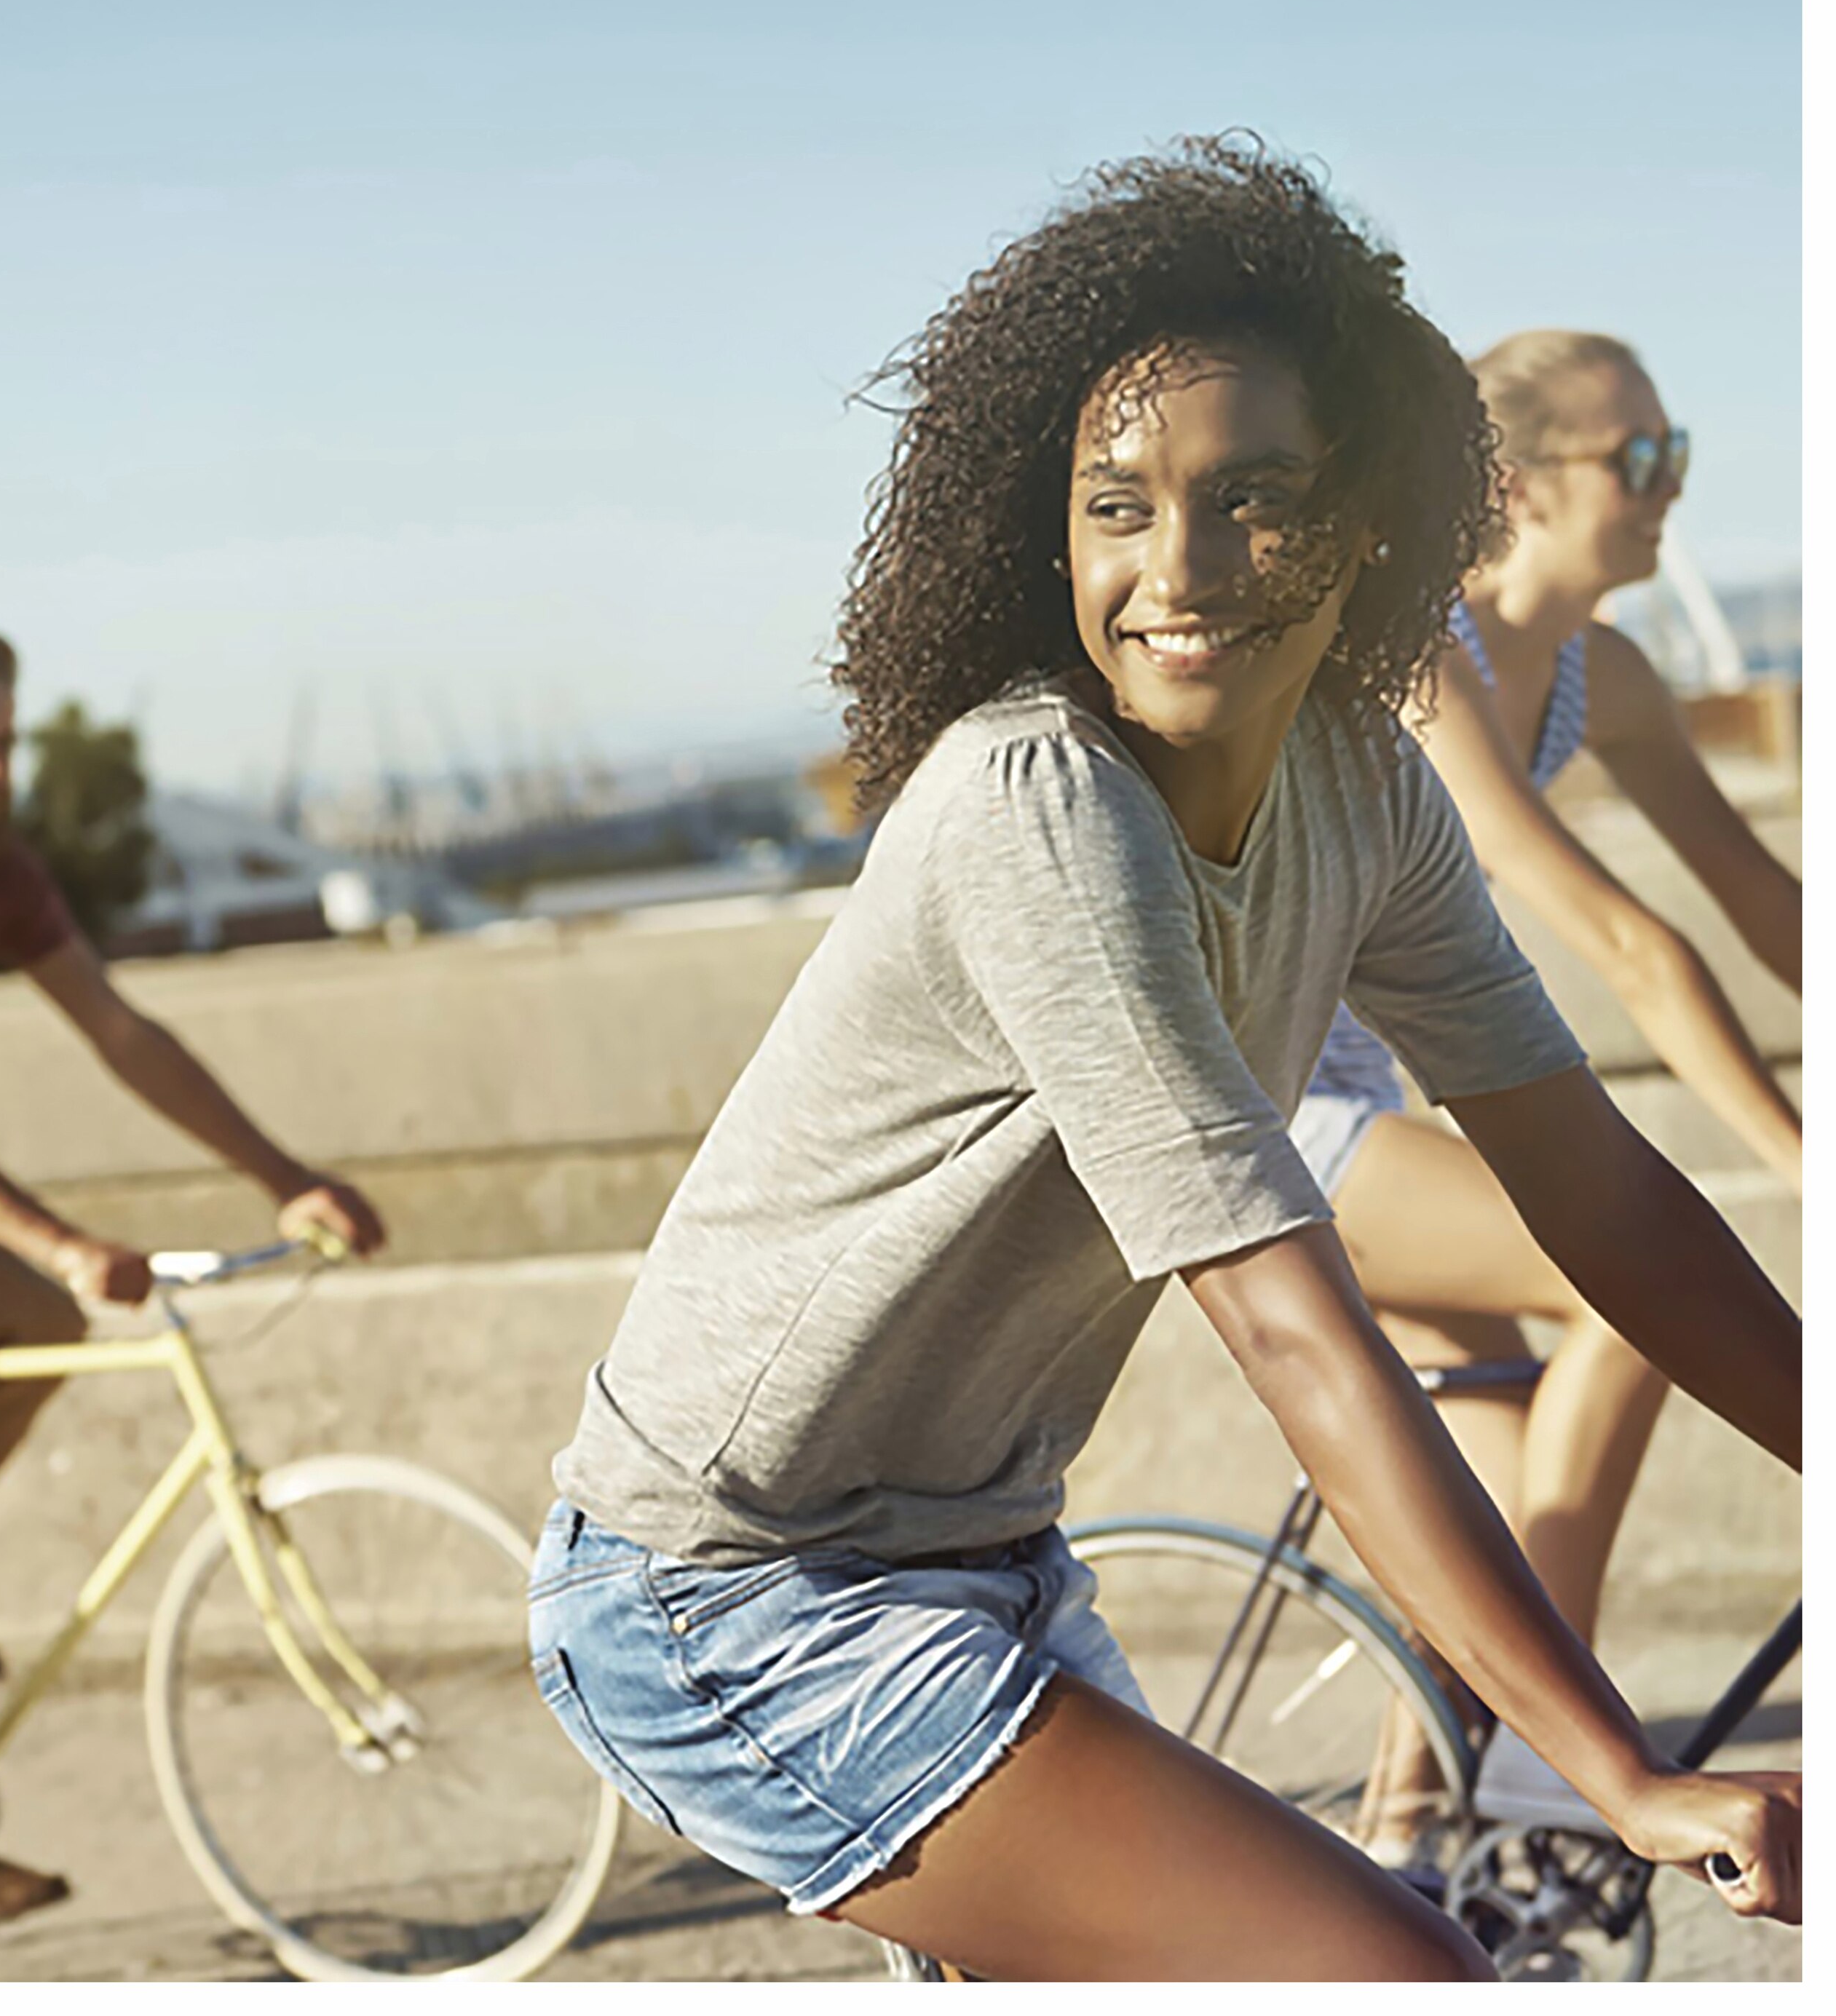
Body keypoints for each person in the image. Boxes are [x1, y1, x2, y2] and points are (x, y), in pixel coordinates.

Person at [523, 140, 1802, 1982]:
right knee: (1401, 1976)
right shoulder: (1035, 802)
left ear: (1367, 523)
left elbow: (1599, 1194)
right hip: (731, 1592)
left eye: (1251, 500)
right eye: (1115, 504)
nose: (1172, 569)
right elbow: (1294, 1328)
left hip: (992, 1567)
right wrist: (1608, 1768)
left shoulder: (1365, 785)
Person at [0, 624, 387, 1940]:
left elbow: (123, 1034)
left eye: (6, 740)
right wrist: (61, 1233)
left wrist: (286, 1175)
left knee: (34, 1325)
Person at [1288, 330, 1803, 1862]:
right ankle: (1542, 1758)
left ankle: (1413, 1851)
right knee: (1622, 1285)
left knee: (1492, 1525)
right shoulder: (1423, 657)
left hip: (1372, 1096)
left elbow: (1763, 905)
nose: (1668, 489)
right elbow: (1630, 946)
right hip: (1259, 1105)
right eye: (1636, 458)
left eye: (1677, 453)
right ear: (1519, 484)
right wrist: (1802, 1161)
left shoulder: (1607, 675)